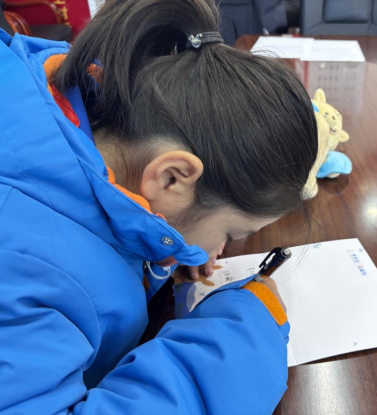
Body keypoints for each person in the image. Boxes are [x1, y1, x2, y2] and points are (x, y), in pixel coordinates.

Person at [0, 0, 318, 413]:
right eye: (229, 233)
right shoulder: (26, 268)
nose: (215, 251)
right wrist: (246, 333)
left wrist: (160, 245)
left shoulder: (81, 113)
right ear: (172, 178)